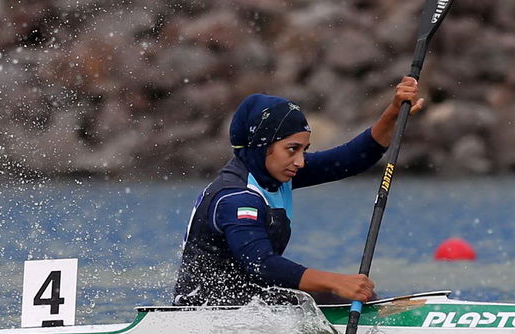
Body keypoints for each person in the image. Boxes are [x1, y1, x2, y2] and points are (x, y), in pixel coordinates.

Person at [173, 78, 424, 306]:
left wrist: (393, 113)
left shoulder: (275, 171)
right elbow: (261, 263)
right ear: (262, 146)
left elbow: (352, 158)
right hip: (207, 309)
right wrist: (336, 281)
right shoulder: (238, 198)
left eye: (304, 150)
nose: (301, 162)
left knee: (350, 297)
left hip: (251, 301)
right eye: (292, 149)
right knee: (338, 293)